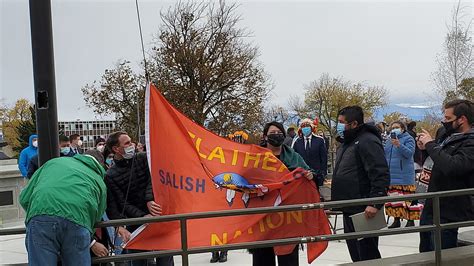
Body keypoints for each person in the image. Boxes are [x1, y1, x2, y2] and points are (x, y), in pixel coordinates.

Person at [19, 154, 107, 266]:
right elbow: (97, 215)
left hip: (41, 216)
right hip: (78, 221)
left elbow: (24, 198)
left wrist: (36, 215)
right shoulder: (98, 180)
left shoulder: (53, 163)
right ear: (100, 165)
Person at [105, 131, 174, 266]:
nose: (132, 145)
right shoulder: (110, 175)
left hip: (157, 215)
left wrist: (149, 199)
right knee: (138, 261)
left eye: (131, 141)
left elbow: (153, 179)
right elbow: (121, 202)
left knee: (166, 260)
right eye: (127, 143)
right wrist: (142, 216)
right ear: (116, 149)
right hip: (136, 224)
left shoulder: (143, 158)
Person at [331, 106, 390, 262]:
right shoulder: (348, 142)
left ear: (354, 123)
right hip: (349, 205)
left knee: (367, 254)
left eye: (342, 122)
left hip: (363, 208)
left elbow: (380, 173)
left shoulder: (367, 141)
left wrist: (374, 202)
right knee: (356, 254)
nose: (339, 126)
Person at [250, 121, 314, 266]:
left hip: (287, 217)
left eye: (279, 133)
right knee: (262, 258)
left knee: (289, 258)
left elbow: (309, 172)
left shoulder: (294, 156)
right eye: (272, 133)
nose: (276, 136)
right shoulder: (254, 157)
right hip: (263, 217)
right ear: (265, 137)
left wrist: (311, 175)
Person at [417, 99, 474, 252]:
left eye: (448, 119)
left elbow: (453, 166)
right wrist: (425, 148)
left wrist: (431, 145)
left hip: (449, 209)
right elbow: (438, 157)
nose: (444, 122)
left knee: (442, 254)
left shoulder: (470, 142)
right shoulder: (446, 134)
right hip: (431, 204)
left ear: (462, 119)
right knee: (425, 252)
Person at [384, 121, 419, 228]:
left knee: (408, 198)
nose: (394, 129)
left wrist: (399, 145)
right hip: (392, 175)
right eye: (392, 127)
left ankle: (410, 220)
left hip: (404, 175)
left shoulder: (408, 139)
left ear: (402, 128)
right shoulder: (389, 140)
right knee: (394, 199)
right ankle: (396, 219)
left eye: (397, 127)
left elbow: (409, 153)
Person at [291, 118, 328, 187]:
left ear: (311, 127)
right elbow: (293, 157)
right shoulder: (297, 141)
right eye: (303, 126)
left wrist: (323, 173)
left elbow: (324, 157)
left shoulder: (319, 140)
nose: (305, 128)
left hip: (317, 174)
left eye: (307, 126)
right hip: (302, 174)